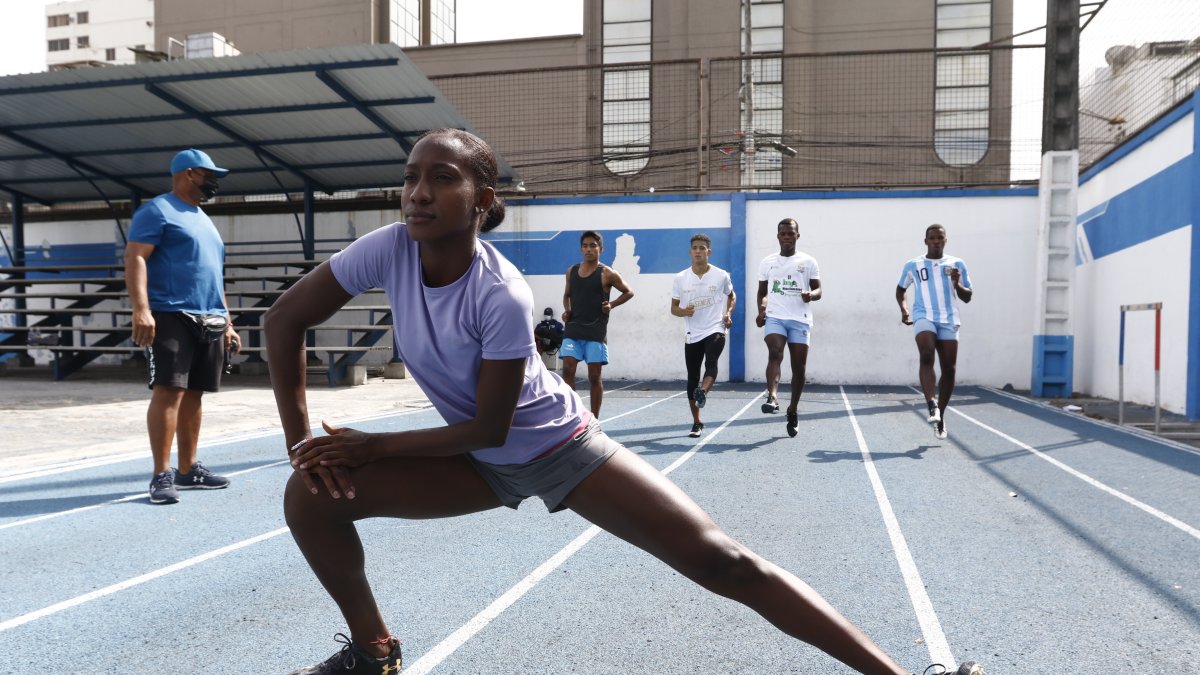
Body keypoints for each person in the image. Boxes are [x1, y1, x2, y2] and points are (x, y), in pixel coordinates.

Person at [264, 129, 983, 675]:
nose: (417, 192)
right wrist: (308, 448)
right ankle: (375, 650)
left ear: (482, 201)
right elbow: (282, 321)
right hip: (476, 461)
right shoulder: (385, 249)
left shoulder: (500, 292)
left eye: (440, 179)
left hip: (556, 449)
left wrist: (373, 444)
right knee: (310, 496)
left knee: (722, 561)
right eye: (410, 177)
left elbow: (488, 421)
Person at [124, 148, 238, 504]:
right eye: (209, 175)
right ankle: (162, 474)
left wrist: (229, 321)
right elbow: (135, 257)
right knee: (169, 390)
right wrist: (141, 309)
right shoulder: (157, 210)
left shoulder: (204, 218)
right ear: (189, 173)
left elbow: (214, 276)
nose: (214, 182)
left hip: (211, 317)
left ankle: (187, 470)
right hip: (170, 314)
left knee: (195, 393)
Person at [895, 224, 973, 440]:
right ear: (926, 241)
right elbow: (901, 289)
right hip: (924, 315)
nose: (936, 241)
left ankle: (941, 415)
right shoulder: (913, 265)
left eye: (940, 238)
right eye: (932, 238)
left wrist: (957, 284)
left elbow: (967, 297)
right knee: (927, 354)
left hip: (949, 319)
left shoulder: (957, 264)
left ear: (945, 240)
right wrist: (904, 309)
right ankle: (931, 403)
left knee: (949, 369)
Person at [755, 218, 821, 438]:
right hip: (775, 317)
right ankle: (772, 397)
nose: (786, 237)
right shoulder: (767, 262)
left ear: (797, 236)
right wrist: (762, 310)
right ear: (777, 236)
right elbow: (762, 292)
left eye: (790, 233)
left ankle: (792, 410)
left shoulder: (808, 261)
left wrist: (810, 295)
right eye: (783, 233)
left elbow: (818, 290)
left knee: (799, 369)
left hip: (800, 319)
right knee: (775, 353)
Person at [559, 230, 634, 419]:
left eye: (593, 245)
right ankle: (573, 415)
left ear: (601, 248)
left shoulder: (607, 273)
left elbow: (628, 292)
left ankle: (594, 418)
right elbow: (567, 295)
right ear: (581, 249)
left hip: (595, 331)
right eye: (585, 246)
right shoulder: (572, 271)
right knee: (568, 367)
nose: (588, 249)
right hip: (573, 328)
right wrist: (567, 310)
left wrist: (612, 304)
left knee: (594, 376)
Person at [670, 233, 735, 438]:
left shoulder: (721, 275)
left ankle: (703, 392)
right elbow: (673, 308)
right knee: (692, 377)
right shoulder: (681, 278)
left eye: (702, 248)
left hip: (715, 327)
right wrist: (684, 311)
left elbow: (731, 296)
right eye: (695, 248)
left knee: (712, 360)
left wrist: (728, 313)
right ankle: (697, 422)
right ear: (690, 252)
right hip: (693, 333)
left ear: (709, 251)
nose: (698, 251)